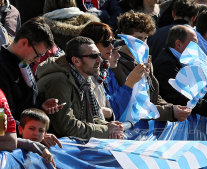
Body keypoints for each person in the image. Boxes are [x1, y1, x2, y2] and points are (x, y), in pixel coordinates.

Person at [37, 36, 124, 139]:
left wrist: (110, 126)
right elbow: (67, 127)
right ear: (76, 61)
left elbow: (90, 117)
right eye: (93, 56)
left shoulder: (84, 79)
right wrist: (106, 130)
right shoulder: (59, 81)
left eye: (99, 55)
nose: (100, 60)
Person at [112, 11, 191, 122]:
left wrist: (173, 108)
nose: (143, 43)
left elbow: (152, 97)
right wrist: (170, 112)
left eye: (145, 38)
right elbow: (132, 105)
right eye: (138, 39)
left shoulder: (145, 60)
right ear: (123, 37)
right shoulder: (115, 64)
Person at [0, 16, 64, 150]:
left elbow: (26, 99)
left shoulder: (22, 62)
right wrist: (34, 135)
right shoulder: (2, 66)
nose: (38, 60)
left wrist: (40, 105)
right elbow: (7, 115)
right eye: (38, 55)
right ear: (24, 43)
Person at [79, 21, 117, 121]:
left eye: (112, 42)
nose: (111, 47)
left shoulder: (103, 71)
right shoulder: (82, 72)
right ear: (91, 44)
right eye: (106, 43)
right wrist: (107, 112)